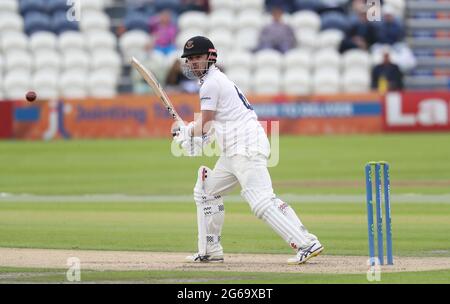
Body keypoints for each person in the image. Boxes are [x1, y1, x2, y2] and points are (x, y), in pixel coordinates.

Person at [173, 36, 323, 264]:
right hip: (233, 151)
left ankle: (306, 243)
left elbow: (205, 123)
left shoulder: (212, 83)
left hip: (245, 146)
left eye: (197, 57)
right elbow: (216, 123)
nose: (193, 62)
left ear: (210, 57)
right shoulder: (212, 82)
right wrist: (198, 139)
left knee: (261, 201)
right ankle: (210, 250)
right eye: (190, 59)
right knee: (207, 191)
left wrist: (186, 132)